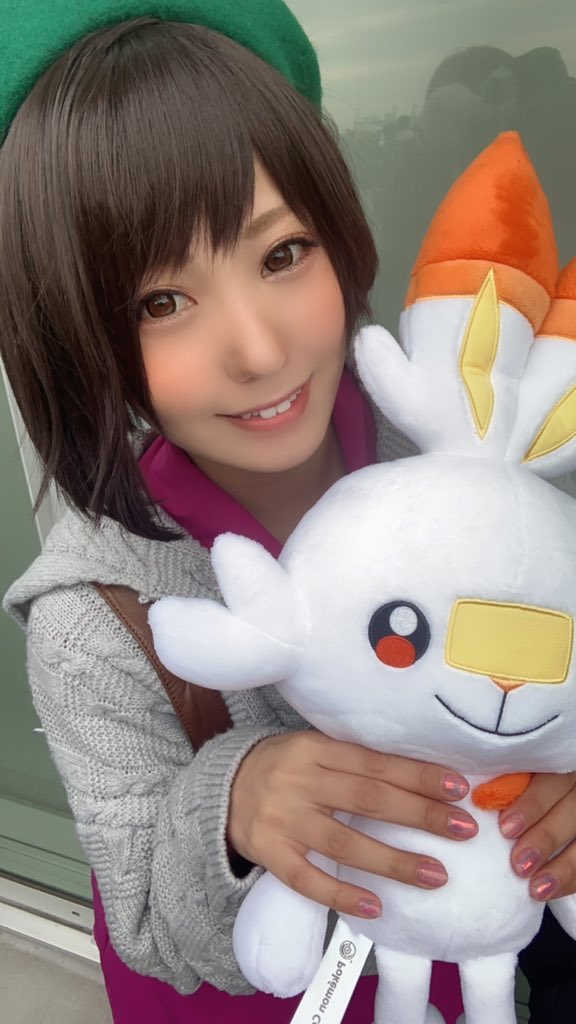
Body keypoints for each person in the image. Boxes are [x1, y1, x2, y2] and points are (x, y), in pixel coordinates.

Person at [1, 4, 575, 1023]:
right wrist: (233, 800)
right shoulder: (93, 615)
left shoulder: (460, 474)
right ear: (77, 332)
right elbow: (145, 920)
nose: (260, 351)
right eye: (160, 302)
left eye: (281, 255)